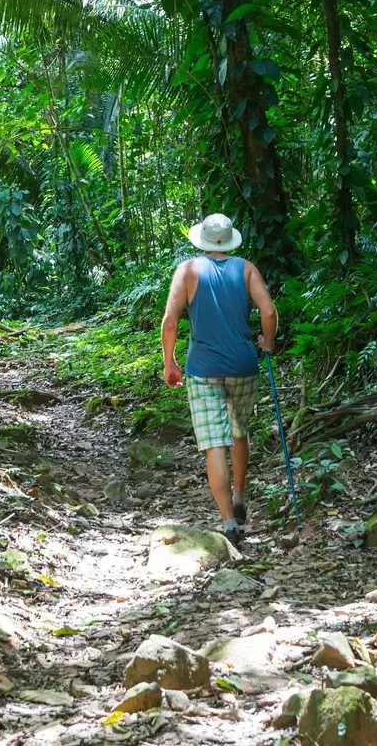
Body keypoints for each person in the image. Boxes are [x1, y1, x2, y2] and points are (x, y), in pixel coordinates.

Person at [160, 212, 277, 542]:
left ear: (203, 240)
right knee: (239, 431)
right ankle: (240, 494)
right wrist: (267, 342)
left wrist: (169, 362)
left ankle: (228, 521)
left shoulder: (188, 271)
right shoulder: (246, 268)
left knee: (214, 443)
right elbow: (268, 311)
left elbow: (170, 321)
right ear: (229, 240)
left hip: (203, 369)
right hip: (243, 366)